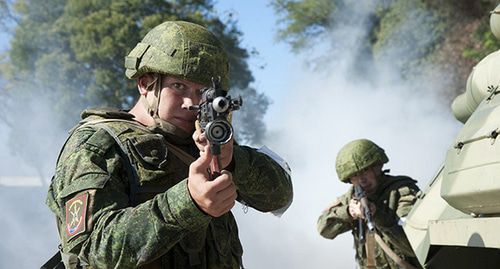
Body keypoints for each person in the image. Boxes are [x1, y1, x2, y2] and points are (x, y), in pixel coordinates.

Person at [45, 21, 293, 269]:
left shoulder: (203, 141)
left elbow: (280, 197)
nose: (190, 103)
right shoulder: (98, 144)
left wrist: (233, 161)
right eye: (178, 86)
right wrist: (188, 202)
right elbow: (92, 250)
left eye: (202, 92)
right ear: (145, 83)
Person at [317, 139, 421, 269]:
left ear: (377, 167)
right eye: (354, 175)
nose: (362, 180)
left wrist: (377, 215)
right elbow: (324, 229)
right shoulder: (352, 198)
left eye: (365, 170)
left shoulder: (401, 193)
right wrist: (349, 212)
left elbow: (414, 247)